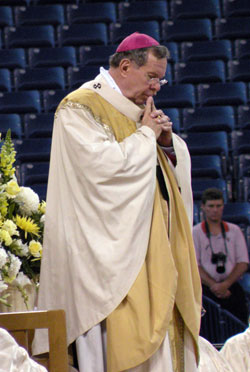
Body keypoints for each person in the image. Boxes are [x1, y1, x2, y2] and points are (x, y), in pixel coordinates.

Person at [32, 32, 202, 372]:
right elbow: (101, 170)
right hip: (109, 259)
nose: (157, 86)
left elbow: (163, 174)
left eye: (161, 78)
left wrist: (167, 146)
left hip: (155, 249)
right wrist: (146, 136)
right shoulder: (80, 107)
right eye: (152, 76)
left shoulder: (138, 112)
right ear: (125, 66)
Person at [193, 188, 249, 324]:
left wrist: (226, 284)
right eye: (211, 206)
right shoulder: (196, 232)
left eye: (218, 206)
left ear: (223, 206)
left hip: (231, 286)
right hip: (206, 288)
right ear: (203, 207)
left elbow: (243, 263)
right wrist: (214, 285)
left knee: (239, 317)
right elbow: (194, 264)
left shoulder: (234, 230)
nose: (215, 210)